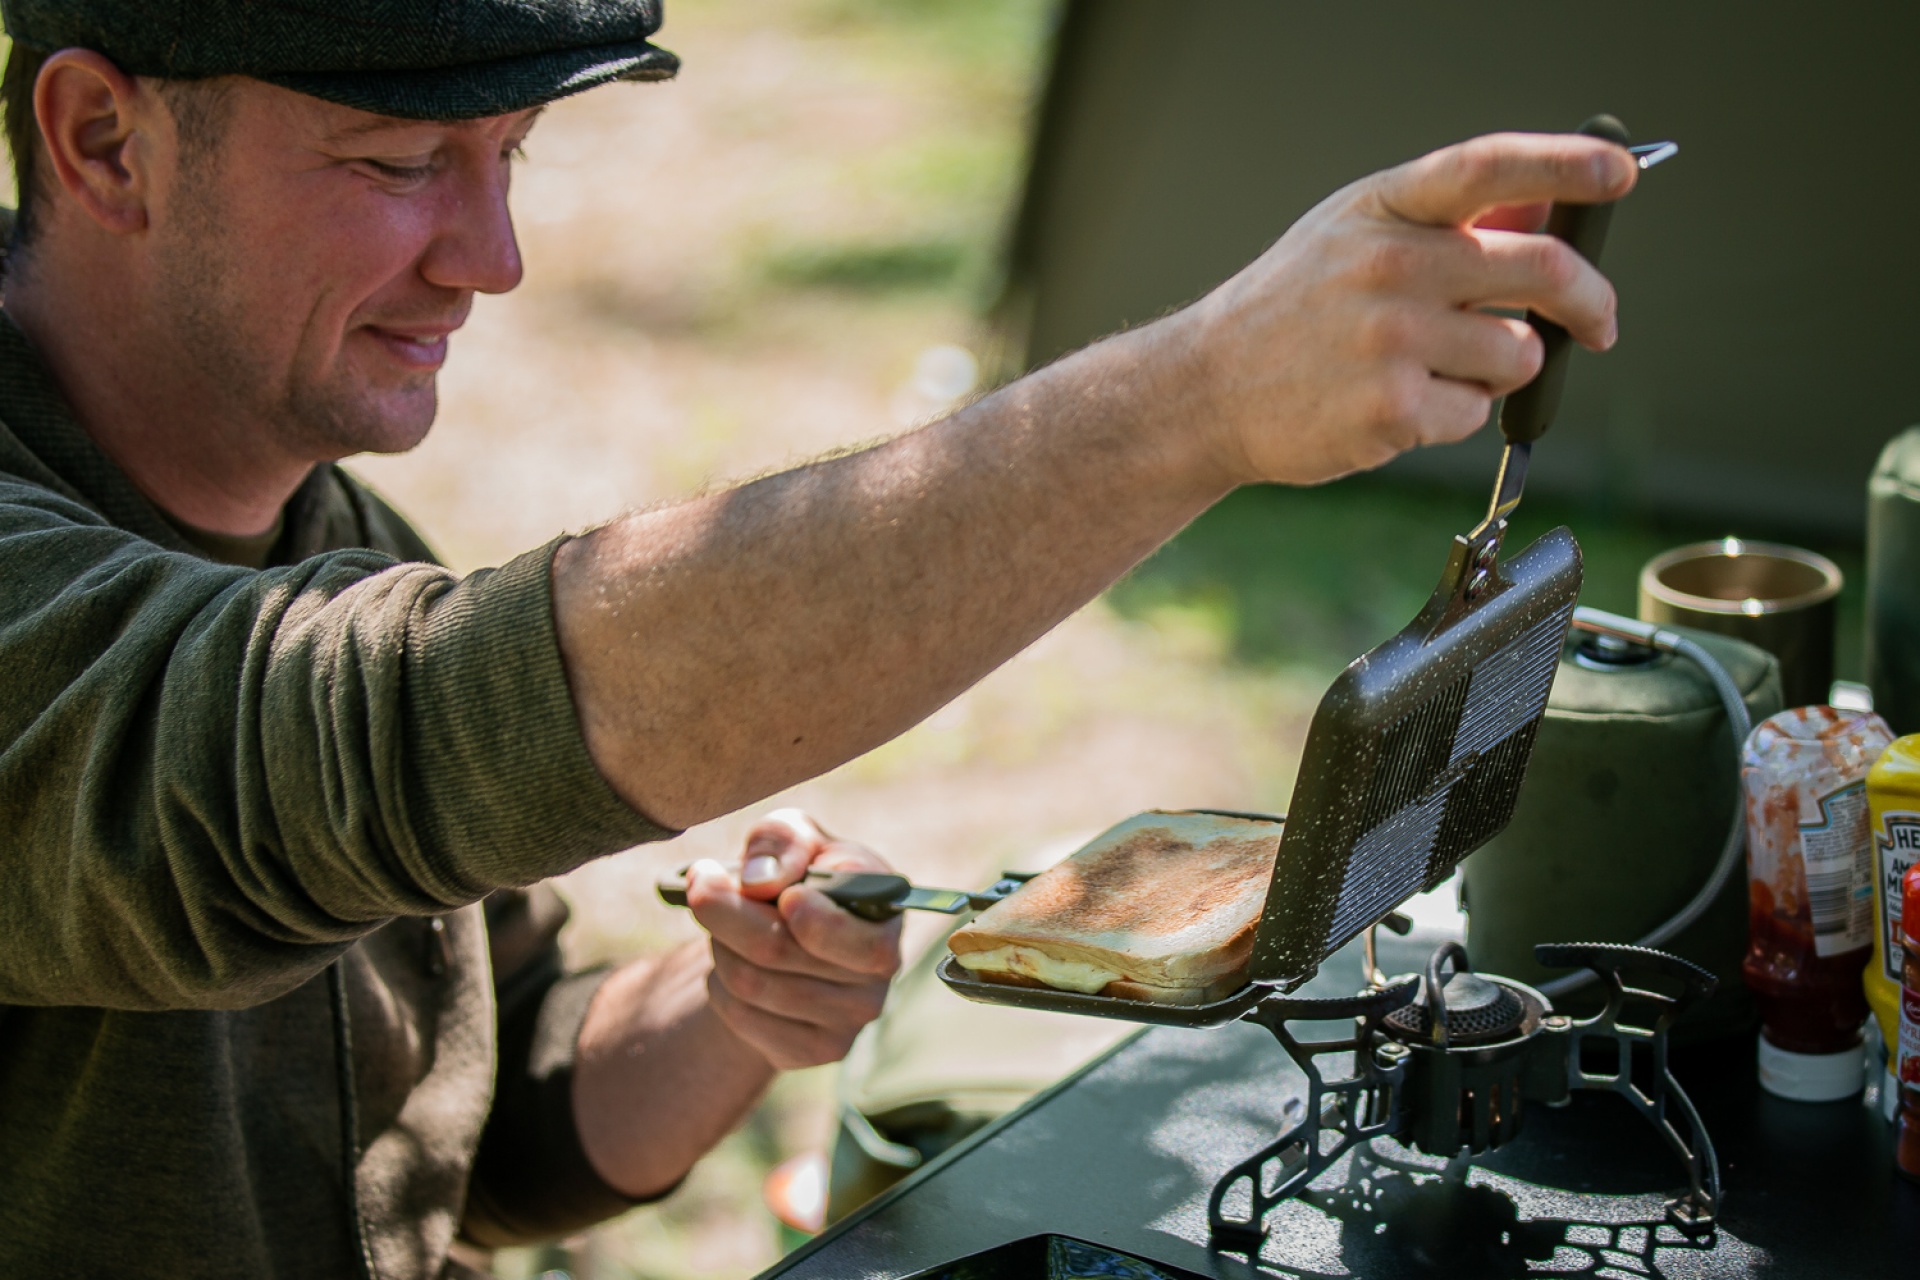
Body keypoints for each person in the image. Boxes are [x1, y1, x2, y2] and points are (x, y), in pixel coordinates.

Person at [0, 1, 1635, 1276]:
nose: (492, 261)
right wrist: (1190, 400)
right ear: (103, 140)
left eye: (512, 158)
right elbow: (388, 745)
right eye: (395, 162)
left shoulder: (316, 523)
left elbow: (483, 1137)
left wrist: (726, 1013)